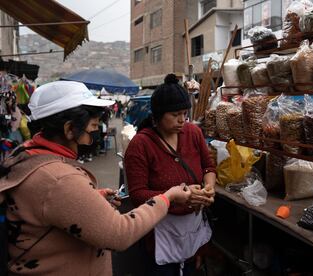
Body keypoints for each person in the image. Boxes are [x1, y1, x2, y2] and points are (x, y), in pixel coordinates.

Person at [0, 81, 191, 275]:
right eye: (91, 131)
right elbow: (119, 234)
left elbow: (47, 203)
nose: (94, 137)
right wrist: (167, 198)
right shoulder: (60, 179)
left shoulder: (26, 152)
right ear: (69, 129)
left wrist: (89, 198)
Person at [124, 74, 216, 276]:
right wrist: (175, 196)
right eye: (175, 114)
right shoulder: (141, 145)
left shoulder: (193, 133)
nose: (182, 120)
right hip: (159, 234)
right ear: (157, 115)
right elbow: (137, 195)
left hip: (192, 228)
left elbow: (208, 167)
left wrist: (208, 189)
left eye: (185, 113)